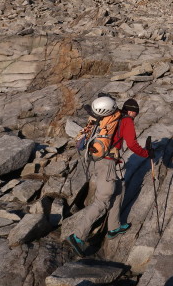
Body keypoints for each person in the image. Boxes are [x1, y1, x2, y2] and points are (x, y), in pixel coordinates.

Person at [66, 97, 154, 257]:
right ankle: (77, 236)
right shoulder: (126, 120)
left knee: (120, 189)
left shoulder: (111, 118)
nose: (135, 116)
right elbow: (132, 144)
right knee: (102, 201)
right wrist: (147, 153)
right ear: (133, 112)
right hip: (107, 163)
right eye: (135, 113)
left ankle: (114, 227)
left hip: (106, 161)